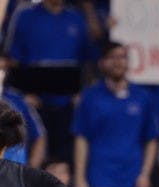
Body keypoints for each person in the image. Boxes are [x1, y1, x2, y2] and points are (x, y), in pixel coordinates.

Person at [72, 41, 159, 187]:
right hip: (100, 176)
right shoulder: (90, 97)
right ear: (103, 63)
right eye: (113, 57)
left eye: (122, 57)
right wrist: (80, 178)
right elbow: (81, 138)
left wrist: (146, 174)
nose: (118, 62)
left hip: (133, 176)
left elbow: (151, 139)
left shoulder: (143, 97)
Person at [3, 0, 96, 160]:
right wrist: (23, 95)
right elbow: (12, 60)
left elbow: (87, 61)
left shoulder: (76, 18)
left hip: (68, 104)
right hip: (34, 102)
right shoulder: (25, 15)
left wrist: (83, 93)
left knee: (64, 158)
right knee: (33, 150)